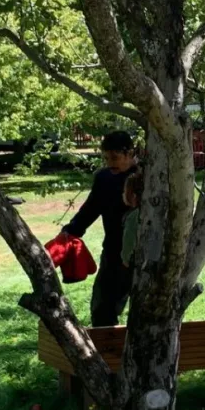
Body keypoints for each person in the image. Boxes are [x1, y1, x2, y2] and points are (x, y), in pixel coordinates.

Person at [56, 131, 137, 326]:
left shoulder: (147, 175)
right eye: (106, 158)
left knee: (144, 314)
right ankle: (107, 354)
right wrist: (70, 231)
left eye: (115, 158)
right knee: (102, 311)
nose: (110, 163)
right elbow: (91, 209)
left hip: (143, 256)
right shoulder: (104, 178)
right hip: (113, 252)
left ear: (130, 153)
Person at [121, 169, 144, 268]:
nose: (123, 194)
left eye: (125, 192)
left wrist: (125, 259)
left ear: (133, 196)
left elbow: (129, 241)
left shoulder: (133, 217)